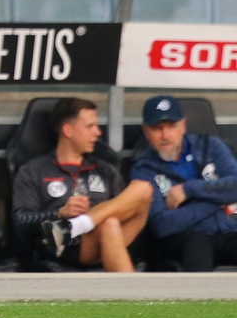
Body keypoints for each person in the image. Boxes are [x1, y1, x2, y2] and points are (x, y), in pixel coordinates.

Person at [14, 98, 152, 272]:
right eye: (90, 126)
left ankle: (75, 226)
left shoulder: (105, 170)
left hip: (111, 237)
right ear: (68, 130)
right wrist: (59, 213)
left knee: (143, 189)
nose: (98, 132)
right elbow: (21, 221)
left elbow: (125, 209)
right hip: (65, 247)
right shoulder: (33, 170)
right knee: (108, 224)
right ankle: (133, 297)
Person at [131, 95, 237, 272]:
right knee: (196, 243)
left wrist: (188, 190)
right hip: (183, 240)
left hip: (228, 230)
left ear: (183, 125)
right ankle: (199, 299)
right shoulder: (143, 169)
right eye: (157, 128)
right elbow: (162, 224)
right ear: (146, 132)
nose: (165, 135)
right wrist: (219, 201)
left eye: (172, 126)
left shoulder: (210, 146)